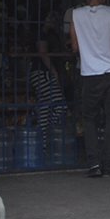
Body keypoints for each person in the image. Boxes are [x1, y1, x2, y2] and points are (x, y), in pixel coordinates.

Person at [70, 0, 110, 178]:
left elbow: (75, 47)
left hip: (89, 74)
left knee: (89, 118)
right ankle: (107, 164)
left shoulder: (75, 15)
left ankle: (94, 163)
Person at [30, 10, 69, 147]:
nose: (52, 19)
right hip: (43, 73)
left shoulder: (50, 35)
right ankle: (47, 133)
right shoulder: (41, 34)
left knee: (45, 108)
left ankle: (43, 143)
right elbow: (43, 54)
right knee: (60, 105)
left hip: (41, 74)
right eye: (49, 16)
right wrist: (54, 73)